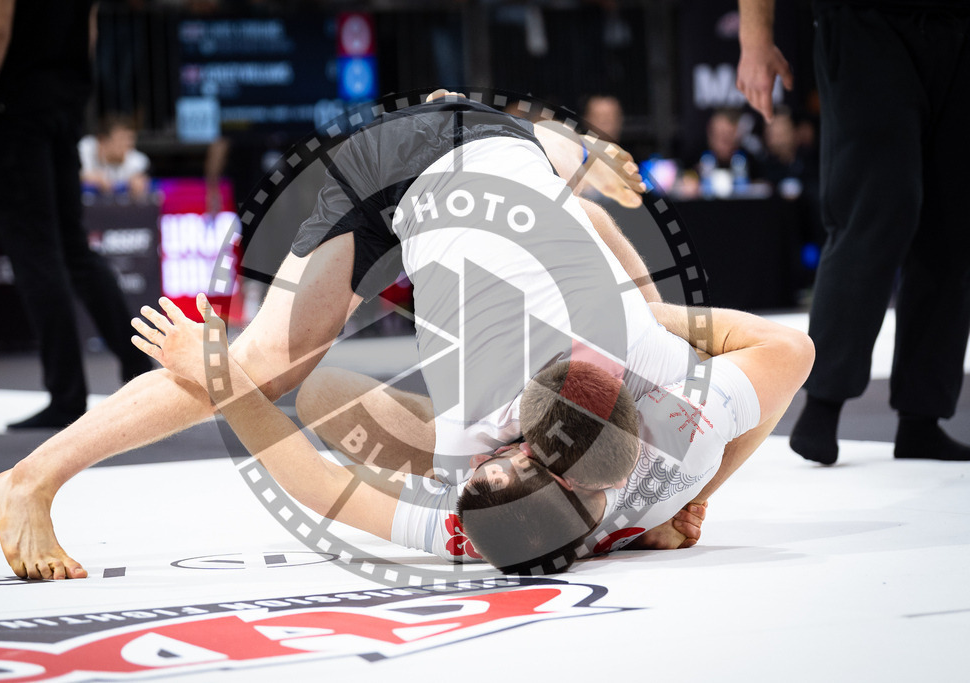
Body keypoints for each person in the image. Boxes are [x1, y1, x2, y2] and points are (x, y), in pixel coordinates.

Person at [0, 90, 652, 580]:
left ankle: (562, 146)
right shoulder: (489, 430)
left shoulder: (614, 388)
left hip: (488, 141)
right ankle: (29, 480)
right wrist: (217, 374)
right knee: (259, 365)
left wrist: (669, 513)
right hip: (426, 162)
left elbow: (610, 252)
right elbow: (324, 484)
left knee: (544, 184)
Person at [127, 293, 812, 573]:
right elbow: (793, 351)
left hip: (486, 429)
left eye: (493, 465)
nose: (506, 452)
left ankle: (435, 437)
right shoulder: (681, 436)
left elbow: (316, 485)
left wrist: (220, 377)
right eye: (519, 455)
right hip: (638, 405)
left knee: (323, 396)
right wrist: (647, 314)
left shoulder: (471, 529)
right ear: (567, 474)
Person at [737, 0, 970, 464]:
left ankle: (922, 418)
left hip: (959, 26)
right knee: (875, 206)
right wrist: (755, 38)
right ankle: (823, 405)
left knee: (955, 220)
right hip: (865, 21)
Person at [0, 0, 152, 430]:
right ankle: (138, 370)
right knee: (74, 250)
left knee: (37, 255)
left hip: (11, 110)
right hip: (61, 107)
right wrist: (68, 98)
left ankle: (67, 395)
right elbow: (89, 28)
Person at [78, 115, 151, 201]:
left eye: (130, 140)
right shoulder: (84, 148)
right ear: (102, 140)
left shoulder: (137, 160)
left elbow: (140, 181)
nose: (127, 146)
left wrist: (138, 182)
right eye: (121, 139)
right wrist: (90, 178)